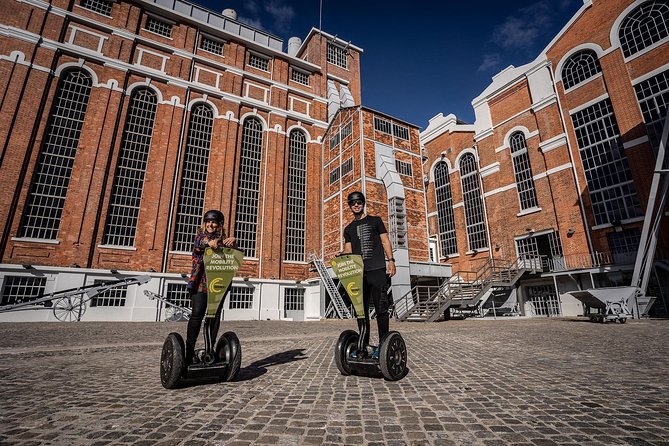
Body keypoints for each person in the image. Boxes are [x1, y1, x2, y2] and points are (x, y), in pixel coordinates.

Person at [342, 191, 396, 359]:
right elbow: (348, 250)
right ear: (350, 206)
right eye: (352, 203)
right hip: (358, 274)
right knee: (361, 312)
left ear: (363, 203)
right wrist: (342, 253)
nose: (356, 205)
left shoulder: (376, 221)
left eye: (358, 202)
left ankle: (383, 345)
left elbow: (385, 241)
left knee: (381, 309)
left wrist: (391, 260)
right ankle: (363, 346)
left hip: (377, 270)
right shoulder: (348, 228)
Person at [185, 209, 236, 364]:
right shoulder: (200, 236)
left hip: (219, 283)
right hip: (201, 282)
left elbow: (234, 256)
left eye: (213, 222)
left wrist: (233, 242)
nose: (210, 225)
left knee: (214, 315)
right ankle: (189, 350)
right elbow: (198, 244)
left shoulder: (224, 239)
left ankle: (210, 349)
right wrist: (209, 242)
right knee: (197, 314)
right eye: (208, 222)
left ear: (219, 225)